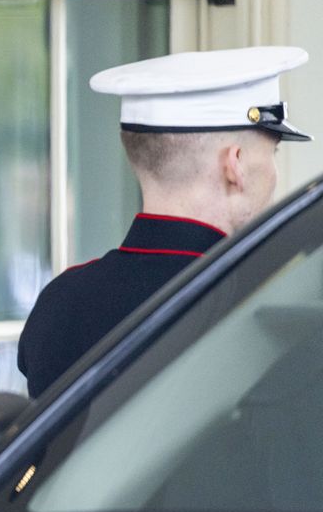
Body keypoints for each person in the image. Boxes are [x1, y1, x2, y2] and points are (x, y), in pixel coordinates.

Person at [18, 46, 311, 399]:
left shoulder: (62, 303)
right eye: (272, 152)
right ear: (235, 165)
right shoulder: (265, 305)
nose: (274, 172)